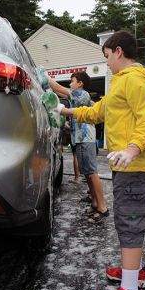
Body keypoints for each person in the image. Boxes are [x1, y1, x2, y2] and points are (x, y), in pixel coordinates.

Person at [56, 31, 145, 290]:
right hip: (125, 164)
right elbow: (98, 111)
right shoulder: (121, 83)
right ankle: (136, 273)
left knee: (130, 220)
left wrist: (133, 148)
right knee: (129, 218)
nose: (106, 65)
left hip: (134, 164)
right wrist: (65, 110)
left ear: (117, 51)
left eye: (106, 58)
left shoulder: (134, 80)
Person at [48, 71, 108, 224]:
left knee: (92, 173)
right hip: (79, 139)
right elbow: (58, 91)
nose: (70, 83)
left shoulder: (83, 94)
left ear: (80, 83)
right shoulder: (76, 96)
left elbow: (57, 88)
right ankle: (95, 203)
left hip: (86, 139)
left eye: (72, 80)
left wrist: (45, 77)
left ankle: (103, 208)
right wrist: (67, 125)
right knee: (87, 173)